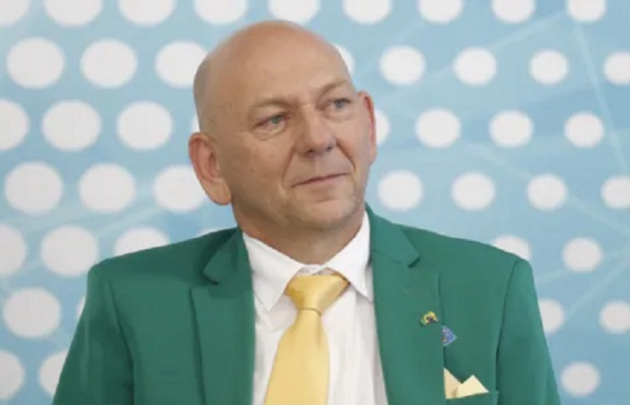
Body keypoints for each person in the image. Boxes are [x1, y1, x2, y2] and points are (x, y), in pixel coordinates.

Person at [53, 20, 561, 405]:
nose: (319, 139)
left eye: (336, 105)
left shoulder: (492, 288)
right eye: (275, 119)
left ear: (369, 125)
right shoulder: (132, 300)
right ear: (211, 166)